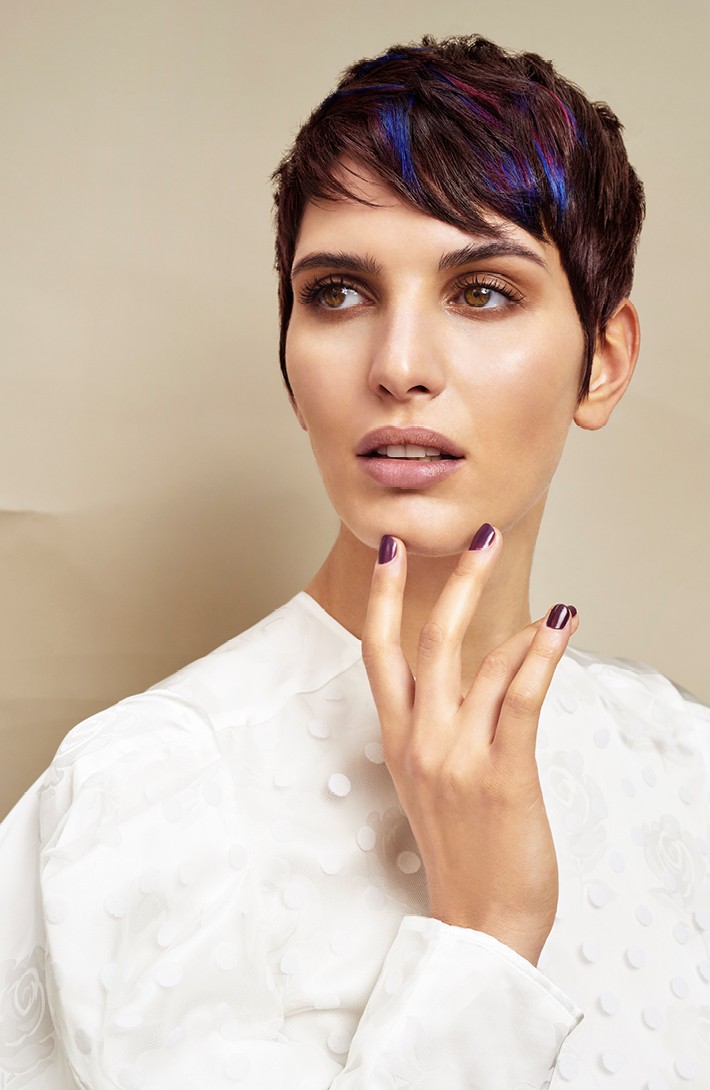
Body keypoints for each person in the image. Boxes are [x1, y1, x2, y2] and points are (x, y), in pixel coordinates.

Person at [1, 33, 708, 1090]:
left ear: (601, 361)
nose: (398, 366)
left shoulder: (682, 765)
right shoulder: (148, 790)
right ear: (290, 357)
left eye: (481, 291)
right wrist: (485, 936)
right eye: (338, 292)